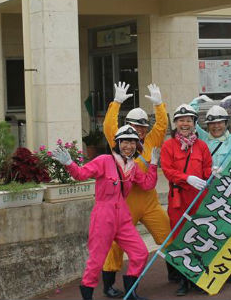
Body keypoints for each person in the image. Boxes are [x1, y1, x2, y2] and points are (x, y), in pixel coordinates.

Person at [52, 125, 159, 300]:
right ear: (117, 143)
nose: (129, 146)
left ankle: (131, 293)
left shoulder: (133, 166)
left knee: (140, 253)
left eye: (132, 142)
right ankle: (88, 296)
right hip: (103, 216)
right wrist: (69, 164)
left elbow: (147, 184)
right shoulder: (104, 160)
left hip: (123, 216)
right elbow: (81, 174)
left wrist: (153, 165)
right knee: (96, 259)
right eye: (125, 141)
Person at [101, 82, 171, 297]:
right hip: (125, 205)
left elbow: (161, 126)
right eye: (134, 126)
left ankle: (177, 273)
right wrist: (117, 102)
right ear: (127, 125)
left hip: (149, 203)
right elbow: (108, 126)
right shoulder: (120, 140)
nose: (139, 130)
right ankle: (109, 285)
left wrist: (159, 105)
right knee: (116, 245)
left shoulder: (150, 141)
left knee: (167, 235)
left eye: (142, 126)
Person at [189, 94, 231, 284]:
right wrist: (197, 100)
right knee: (208, 231)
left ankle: (229, 267)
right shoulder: (202, 140)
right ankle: (208, 267)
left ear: (226, 123)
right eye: (212, 123)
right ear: (207, 125)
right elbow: (190, 122)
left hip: (229, 191)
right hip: (207, 193)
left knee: (228, 231)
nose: (216, 126)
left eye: (220, 122)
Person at [160, 103, 213, 296]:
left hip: (199, 199)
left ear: (194, 124)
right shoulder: (168, 145)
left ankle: (198, 278)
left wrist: (212, 174)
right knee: (180, 239)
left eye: (189, 120)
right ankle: (183, 279)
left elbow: (207, 168)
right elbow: (167, 170)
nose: (185, 124)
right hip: (178, 200)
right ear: (175, 123)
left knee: (199, 237)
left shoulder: (202, 146)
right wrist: (186, 178)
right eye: (181, 120)